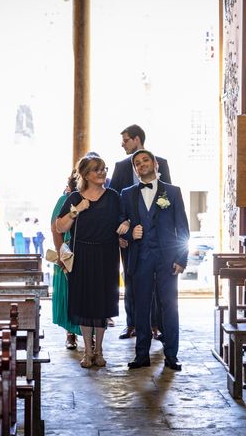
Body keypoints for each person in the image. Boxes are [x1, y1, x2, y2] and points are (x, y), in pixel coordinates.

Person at [119, 149, 189, 371]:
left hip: (168, 259)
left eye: (145, 160)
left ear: (155, 163)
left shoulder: (173, 192)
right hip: (140, 258)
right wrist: (131, 234)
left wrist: (182, 258)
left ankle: (171, 356)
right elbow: (121, 225)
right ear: (135, 170)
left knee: (170, 306)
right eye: (137, 164)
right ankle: (141, 355)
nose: (142, 165)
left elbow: (183, 228)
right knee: (141, 308)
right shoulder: (127, 194)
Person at [55, 155, 120, 368]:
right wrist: (77, 210)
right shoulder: (74, 198)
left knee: (101, 303)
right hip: (82, 253)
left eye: (103, 169)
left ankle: (100, 350)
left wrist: (126, 226)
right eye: (96, 169)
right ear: (85, 174)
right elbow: (60, 227)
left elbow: (123, 219)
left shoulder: (113, 196)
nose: (101, 173)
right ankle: (87, 351)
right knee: (84, 302)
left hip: (107, 254)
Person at [109, 124, 171, 341]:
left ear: (137, 139)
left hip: (156, 236)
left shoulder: (161, 162)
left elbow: (167, 197)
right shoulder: (121, 166)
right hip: (131, 235)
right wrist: (121, 234)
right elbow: (115, 201)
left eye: (125, 140)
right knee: (130, 278)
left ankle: (156, 324)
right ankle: (132, 323)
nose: (122, 144)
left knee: (157, 282)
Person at [51, 170, 82, 350]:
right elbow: (56, 229)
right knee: (69, 294)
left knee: (87, 295)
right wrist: (61, 252)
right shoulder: (64, 200)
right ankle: (70, 334)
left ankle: (90, 335)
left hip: (88, 251)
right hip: (67, 250)